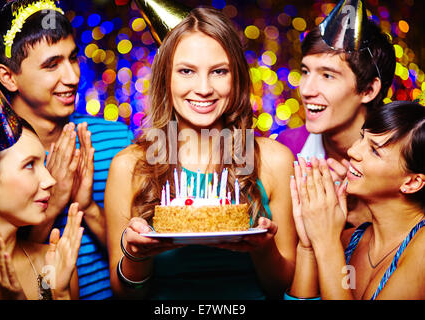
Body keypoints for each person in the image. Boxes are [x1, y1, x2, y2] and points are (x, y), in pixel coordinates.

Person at [105, 6, 297, 300]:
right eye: (186, 71)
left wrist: (263, 248)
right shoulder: (130, 166)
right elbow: (126, 297)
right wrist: (135, 254)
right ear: (165, 79)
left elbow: (280, 287)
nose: (204, 88)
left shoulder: (274, 160)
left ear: (236, 78)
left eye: (219, 71)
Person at [0, 0, 134, 299]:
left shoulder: (116, 141)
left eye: (73, 58)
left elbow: (138, 261)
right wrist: (54, 202)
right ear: (8, 76)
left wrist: (87, 208)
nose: (73, 77)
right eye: (52, 65)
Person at [288, 101, 424, 300]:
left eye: (375, 150)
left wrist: (326, 243)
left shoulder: (421, 251)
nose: (353, 151)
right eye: (362, 138)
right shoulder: (348, 240)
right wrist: (308, 246)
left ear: (412, 182)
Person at [276, 0, 396, 227]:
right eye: (305, 71)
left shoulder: (400, 159)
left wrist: (362, 216)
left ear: (369, 90)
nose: (306, 90)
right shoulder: (288, 149)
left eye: (327, 75)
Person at [0, 77, 83, 300]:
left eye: (43, 164)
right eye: (29, 165)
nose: (50, 180)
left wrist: (60, 294)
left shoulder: (49, 266)